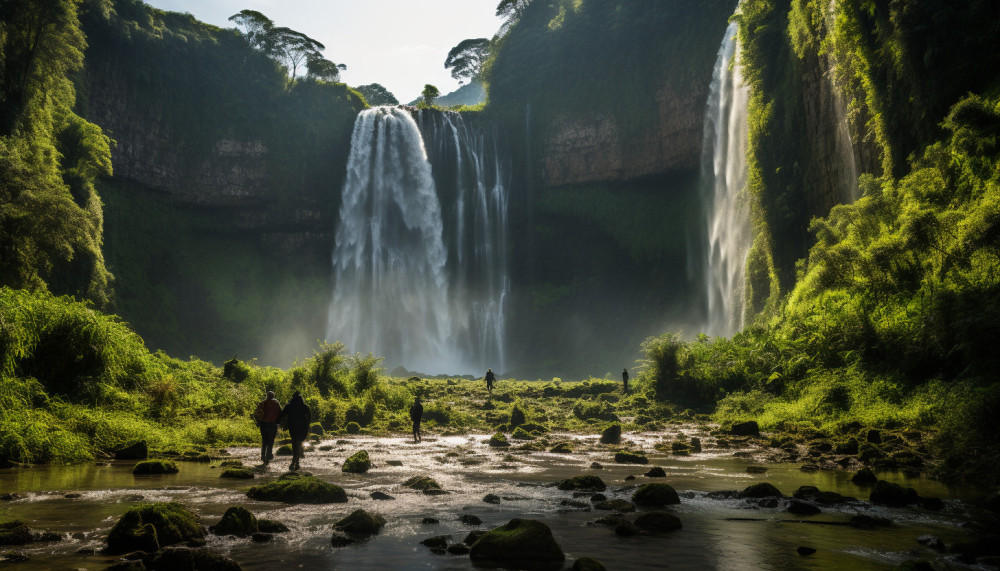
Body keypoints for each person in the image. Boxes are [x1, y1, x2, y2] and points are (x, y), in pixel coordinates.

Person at [278, 391, 311, 471]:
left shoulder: (289, 406)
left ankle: (294, 461)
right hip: (303, 428)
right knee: (299, 443)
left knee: (294, 443)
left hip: (293, 427)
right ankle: (296, 461)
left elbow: (281, 415)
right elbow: (309, 418)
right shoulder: (305, 407)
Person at [253, 390, 282, 465]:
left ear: (267, 395)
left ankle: (263, 456)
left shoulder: (262, 403)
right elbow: (280, 413)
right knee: (270, 441)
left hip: (263, 424)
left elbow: (256, 413)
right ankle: (269, 455)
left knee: (264, 440)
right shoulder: (276, 404)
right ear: (273, 396)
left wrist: (258, 422)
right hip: (272, 424)